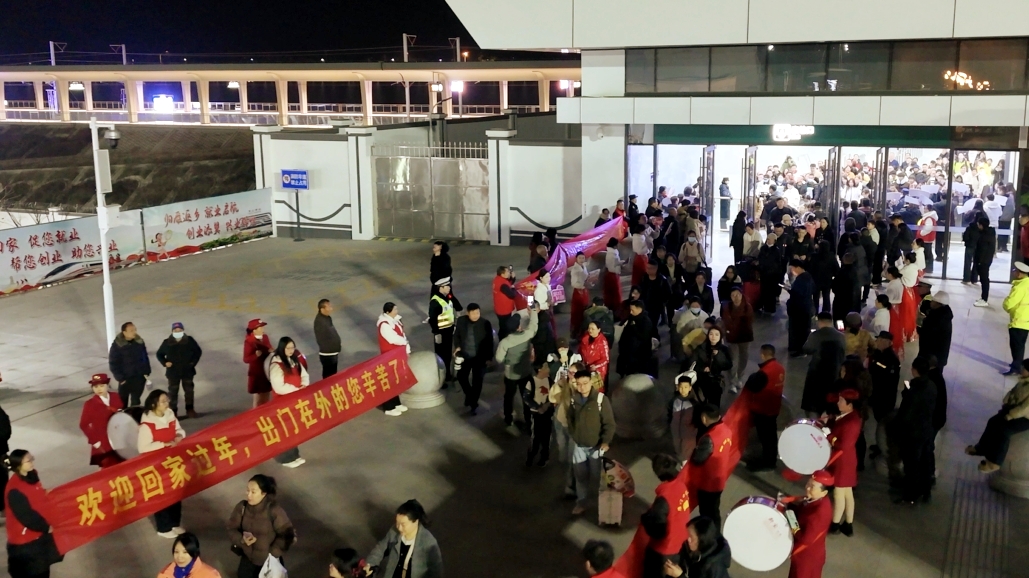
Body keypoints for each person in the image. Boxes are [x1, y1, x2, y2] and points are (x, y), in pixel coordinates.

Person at [4, 450, 62, 578]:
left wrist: (45, 492)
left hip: (38, 539)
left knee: (43, 571)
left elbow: (35, 494)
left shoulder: (32, 475)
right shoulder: (14, 490)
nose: (32, 463)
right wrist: (47, 527)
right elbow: (27, 517)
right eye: (28, 461)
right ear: (18, 465)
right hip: (25, 545)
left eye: (32, 459)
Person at [966, 359, 1029, 473]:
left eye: (1024, 368)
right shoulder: (1023, 380)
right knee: (993, 421)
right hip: (1012, 410)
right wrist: (1006, 403)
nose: (1021, 369)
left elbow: (1024, 408)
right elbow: (1013, 392)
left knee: (1004, 431)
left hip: (1024, 417)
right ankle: (981, 448)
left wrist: (1010, 415)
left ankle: (994, 462)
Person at [138, 390, 186, 538]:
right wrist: (163, 444)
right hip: (157, 465)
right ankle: (163, 528)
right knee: (162, 495)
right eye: (163, 401)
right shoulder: (147, 424)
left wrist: (179, 436)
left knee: (176, 492)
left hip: (173, 462)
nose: (167, 403)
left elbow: (179, 430)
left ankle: (174, 523)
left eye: (167, 400)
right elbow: (143, 447)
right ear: (154, 404)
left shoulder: (170, 415)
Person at [227, 474, 295, 578]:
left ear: (263, 493)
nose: (249, 495)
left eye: (253, 492)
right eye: (248, 490)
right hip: (248, 560)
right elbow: (232, 528)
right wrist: (241, 540)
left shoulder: (274, 510)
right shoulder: (242, 507)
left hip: (269, 562)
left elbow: (287, 534)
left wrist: (273, 553)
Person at [568, 370, 616, 516]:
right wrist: (574, 434)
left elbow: (609, 424)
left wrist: (605, 441)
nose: (582, 387)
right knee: (580, 476)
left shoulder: (601, 400)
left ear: (591, 382)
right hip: (579, 446)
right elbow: (570, 420)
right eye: (579, 384)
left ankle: (602, 505)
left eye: (585, 383)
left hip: (596, 447)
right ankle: (582, 502)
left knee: (598, 477)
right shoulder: (574, 400)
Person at [893, 357, 937, 503]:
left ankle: (910, 495)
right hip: (926, 429)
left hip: (913, 433)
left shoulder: (915, 389)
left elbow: (907, 413)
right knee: (925, 462)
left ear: (915, 370)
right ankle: (926, 491)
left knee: (911, 465)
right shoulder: (931, 385)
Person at [641, 454, 691, 578]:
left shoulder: (664, 499)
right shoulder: (681, 486)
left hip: (663, 550)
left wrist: (645, 518)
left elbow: (658, 531)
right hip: (680, 542)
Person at [365, 500, 443, 578]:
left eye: (403, 524)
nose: (399, 528)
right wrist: (370, 564)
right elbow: (381, 549)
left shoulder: (429, 543)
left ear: (416, 521)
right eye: (397, 523)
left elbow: (436, 572)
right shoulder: (394, 531)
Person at [825, 389, 862, 535]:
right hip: (847, 459)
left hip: (842, 461)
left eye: (841, 401)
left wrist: (830, 437)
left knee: (839, 494)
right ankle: (848, 523)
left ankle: (835, 524)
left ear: (850, 404)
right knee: (847, 493)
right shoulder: (851, 417)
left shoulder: (851, 422)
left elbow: (843, 444)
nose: (838, 403)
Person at [267, 337, 309, 467]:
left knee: (294, 429)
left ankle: (294, 455)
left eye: (292, 347)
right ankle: (285, 459)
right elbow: (278, 387)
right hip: (283, 404)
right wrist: (296, 390)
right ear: (282, 348)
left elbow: (304, 374)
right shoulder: (277, 365)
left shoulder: (294, 360)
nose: (291, 350)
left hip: (295, 401)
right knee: (285, 431)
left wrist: (304, 385)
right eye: (288, 348)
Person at [785, 471, 834, 578]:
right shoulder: (817, 499)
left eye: (812, 486)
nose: (807, 488)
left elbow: (805, 539)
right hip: (809, 556)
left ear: (824, 492)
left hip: (806, 559)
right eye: (808, 483)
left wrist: (791, 519)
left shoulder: (819, 512)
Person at [496, 306, 539, 428]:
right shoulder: (527, 335)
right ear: (519, 326)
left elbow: (499, 359)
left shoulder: (505, 343)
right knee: (526, 397)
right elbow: (533, 326)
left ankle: (508, 418)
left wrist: (508, 361)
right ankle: (528, 421)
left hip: (511, 375)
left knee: (509, 396)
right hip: (525, 372)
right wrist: (533, 311)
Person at [744, 344, 784, 471]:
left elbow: (753, 386)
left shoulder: (764, 372)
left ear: (762, 354)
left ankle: (768, 462)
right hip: (774, 408)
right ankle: (770, 459)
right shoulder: (780, 368)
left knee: (766, 438)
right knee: (771, 435)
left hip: (763, 410)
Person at [691, 405, 732, 525]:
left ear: (704, 418)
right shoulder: (726, 430)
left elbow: (698, 459)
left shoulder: (709, 438)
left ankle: (710, 532)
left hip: (708, 484)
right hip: (720, 479)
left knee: (707, 512)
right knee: (714, 510)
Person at [801, 313, 847, 416]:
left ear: (820, 322)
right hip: (835, 371)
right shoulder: (841, 336)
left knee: (814, 399)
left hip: (816, 371)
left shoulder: (815, 335)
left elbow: (806, 349)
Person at [868, 331, 901, 472]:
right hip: (876, 395)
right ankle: (879, 445)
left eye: (881, 340)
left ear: (888, 342)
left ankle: (883, 448)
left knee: (883, 422)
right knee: (878, 419)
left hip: (884, 398)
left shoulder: (891, 359)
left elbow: (887, 381)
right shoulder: (878, 354)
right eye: (878, 339)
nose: (878, 342)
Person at [156, 322, 203, 418]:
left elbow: (197, 352)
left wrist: (192, 363)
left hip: (187, 371)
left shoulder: (189, 341)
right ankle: (173, 412)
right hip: (173, 372)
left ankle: (190, 409)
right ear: (172, 331)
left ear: (183, 330)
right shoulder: (167, 342)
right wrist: (165, 362)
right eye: (176, 330)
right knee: (173, 393)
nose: (178, 332)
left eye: (180, 330)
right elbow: (159, 354)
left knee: (189, 391)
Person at [454, 303, 494, 416]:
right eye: (473, 313)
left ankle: (473, 404)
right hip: (465, 355)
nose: (476, 315)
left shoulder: (485, 323)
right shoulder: (461, 321)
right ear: (468, 313)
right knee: (461, 376)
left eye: (478, 312)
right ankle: (470, 395)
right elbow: (456, 335)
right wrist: (457, 347)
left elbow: (490, 341)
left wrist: (489, 357)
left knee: (477, 381)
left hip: (480, 357)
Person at [79, 373, 124, 469]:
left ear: (107, 385)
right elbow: (83, 424)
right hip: (103, 442)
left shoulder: (115, 396)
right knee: (109, 468)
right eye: (95, 387)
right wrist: (95, 442)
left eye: (102, 386)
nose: (99, 389)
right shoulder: (89, 404)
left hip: (119, 439)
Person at [662, 517, 732, 578]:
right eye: (687, 533)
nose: (687, 539)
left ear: (702, 542)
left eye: (691, 537)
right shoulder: (692, 546)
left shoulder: (711, 569)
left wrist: (680, 575)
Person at [377, 302, 411, 416]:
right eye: (394, 309)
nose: (397, 311)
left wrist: (407, 350)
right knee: (390, 381)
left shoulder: (395, 321)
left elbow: (402, 334)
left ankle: (396, 403)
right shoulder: (384, 324)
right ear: (388, 312)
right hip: (389, 356)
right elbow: (393, 339)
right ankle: (388, 407)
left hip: (397, 355)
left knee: (396, 380)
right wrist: (404, 342)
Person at [108, 321, 151, 408]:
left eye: (135, 330)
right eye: (131, 330)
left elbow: (144, 357)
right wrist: (120, 378)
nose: (134, 332)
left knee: (136, 401)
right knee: (122, 402)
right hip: (125, 379)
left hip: (139, 377)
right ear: (124, 332)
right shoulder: (117, 345)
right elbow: (113, 363)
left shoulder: (139, 342)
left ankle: (134, 415)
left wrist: (146, 371)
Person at [429, 277, 463, 386]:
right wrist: (436, 333)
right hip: (441, 332)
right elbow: (433, 319)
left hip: (449, 330)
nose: (449, 288)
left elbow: (454, 301)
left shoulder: (447, 296)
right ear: (441, 288)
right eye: (447, 286)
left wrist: (459, 309)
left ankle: (447, 374)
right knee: (441, 356)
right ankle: (441, 380)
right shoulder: (435, 302)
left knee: (447, 355)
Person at [721, 286, 754, 393]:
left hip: (745, 336)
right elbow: (725, 321)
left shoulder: (747, 307)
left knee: (744, 358)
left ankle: (740, 377)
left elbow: (748, 321)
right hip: (732, 337)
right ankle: (732, 382)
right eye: (733, 295)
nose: (735, 297)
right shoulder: (727, 307)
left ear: (741, 295)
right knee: (733, 359)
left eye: (738, 295)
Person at [522, 363, 554, 467]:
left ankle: (544, 457)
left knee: (546, 437)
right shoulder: (531, 381)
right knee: (535, 436)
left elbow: (553, 394)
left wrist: (548, 404)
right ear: (539, 369)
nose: (548, 369)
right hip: (536, 415)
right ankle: (531, 456)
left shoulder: (549, 380)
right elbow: (526, 398)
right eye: (546, 367)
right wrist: (537, 407)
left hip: (547, 414)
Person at [617, 300, 657, 378]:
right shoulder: (632, 318)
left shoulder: (646, 321)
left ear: (639, 309)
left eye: (633, 310)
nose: (631, 312)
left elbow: (644, 337)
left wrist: (634, 327)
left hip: (638, 353)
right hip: (627, 351)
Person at [693, 328, 732, 407]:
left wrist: (718, 355)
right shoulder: (701, 347)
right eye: (711, 334)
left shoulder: (724, 349)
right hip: (701, 379)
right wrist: (702, 368)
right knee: (701, 403)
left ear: (720, 337)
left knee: (714, 403)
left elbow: (728, 365)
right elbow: (692, 362)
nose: (713, 336)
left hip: (716, 381)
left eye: (717, 334)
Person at [1003, 262, 1029, 375]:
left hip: (1018, 321)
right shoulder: (1027, 283)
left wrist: (1005, 301)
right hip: (1026, 321)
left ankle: (1016, 368)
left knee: (1016, 346)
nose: (1013, 272)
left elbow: (1008, 304)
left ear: (1019, 274)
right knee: (1020, 345)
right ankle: (1018, 364)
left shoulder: (1019, 288)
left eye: (1015, 270)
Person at [156, 533, 221, 578]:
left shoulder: (210, 575)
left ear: (193, 553)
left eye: (185, 552)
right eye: (176, 552)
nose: (180, 557)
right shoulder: (165, 574)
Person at [786, 260, 815, 356]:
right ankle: (797, 348)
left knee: (800, 330)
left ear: (798, 267)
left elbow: (798, 293)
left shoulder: (803, 279)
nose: (791, 271)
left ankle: (800, 350)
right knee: (801, 329)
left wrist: (791, 291)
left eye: (792, 269)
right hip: (804, 307)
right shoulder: (807, 277)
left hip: (800, 308)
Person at [918, 291, 954, 368]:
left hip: (933, 358)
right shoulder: (943, 311)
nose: (931, 302)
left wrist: (916, 329)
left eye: (933, 301)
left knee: (932, 373)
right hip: (935, 356)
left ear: (938, 304)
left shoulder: (939, 320)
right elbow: (925, 306)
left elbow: (926, 334)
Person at [669, 372, 699, 463]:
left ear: (690, 388)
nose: (683, 390)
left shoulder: (694, 404)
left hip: (688, 435)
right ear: (677, 387)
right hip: (676, 433)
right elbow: (669, 414)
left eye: (686, 387)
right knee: (678, 450)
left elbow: (697, 420)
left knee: (686, 456)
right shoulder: (674, 400)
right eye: (681, 387)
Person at [244, 319, 273, 408]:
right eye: (260, 327)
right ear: (254, 330)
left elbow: (269, 347)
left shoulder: (265, 337)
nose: (262, 329)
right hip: (257, 374)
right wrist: (255, 355)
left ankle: (266, 413)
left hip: (266, 371)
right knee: (258, 400)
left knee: (267, 396)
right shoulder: (249, 341)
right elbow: (246, 359)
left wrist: (271, 350)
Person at [532, 269, 558, 361]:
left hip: (548, 313)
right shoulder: (539, 290)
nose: (549, 278)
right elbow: (538, 305)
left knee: (549, 335)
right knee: (544, 336)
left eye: (549, 276)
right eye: (546, 277)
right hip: (542, 315)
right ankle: (543, 357)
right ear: (541, 278)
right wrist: (548, 304)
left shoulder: (547, 286)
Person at [313, 299, 342, 379]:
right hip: (328, 355)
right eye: (328, 307)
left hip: (332, 353)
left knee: (333, 376)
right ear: (322, 309)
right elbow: (322, 339)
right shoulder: (320, 322)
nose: (331, 308)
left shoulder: (327, 318)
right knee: (329, 378)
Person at [570, 252, 596, 338]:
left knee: (585, 310)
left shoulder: (584, 266)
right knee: (578, 313)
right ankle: (577, 332)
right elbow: (573, 283)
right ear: (576, 259)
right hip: (579, 292)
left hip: (584, 291)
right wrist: (583, 285)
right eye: (580, 258)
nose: (581, 260)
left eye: (583, 258)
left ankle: (583, 331)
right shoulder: (575, 270)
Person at [809, 239, 838, 315]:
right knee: (826, 296)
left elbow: (810, 268)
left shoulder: (814, 256)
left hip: (816, 280)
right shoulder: (831, 256)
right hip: (827, 280)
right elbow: (836, 269)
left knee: (815, 297)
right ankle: (826, 312)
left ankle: (815, 313)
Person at [973, 216, 997, 307]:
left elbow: (983, 250)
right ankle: (983, 297)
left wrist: (980, 261)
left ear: (981, 225)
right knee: (984, 279)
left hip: (983, 261)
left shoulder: (985, 236)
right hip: (985, 260)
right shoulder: (988, 233)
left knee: (984, 279)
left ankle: (984, 299)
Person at [757, 233, 783, 315]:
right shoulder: (763, 248)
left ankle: (770, 309)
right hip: (764, 273)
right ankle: (763, 306)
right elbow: (760, 258)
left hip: (772, 275)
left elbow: (778, 263)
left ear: (774, 240)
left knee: (771, 292)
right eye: (767, 238)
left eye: (769, 239)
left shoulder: (777, 250)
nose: (768, 240)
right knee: (763, 291)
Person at [492, 265, 519, 340]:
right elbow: (512, 294)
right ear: (502, 274)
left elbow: (508, 284)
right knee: (505, 327)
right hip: (504, 310)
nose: (509, 272)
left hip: (499, 308)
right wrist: (513, 288)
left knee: (502, 325)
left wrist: (513, 278)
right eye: (507, 272)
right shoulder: (502, 284)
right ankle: (503, 340)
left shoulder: (497, 279)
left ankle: (502, 337)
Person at [580, 321, 611, 388]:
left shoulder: (602, 342)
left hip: (597, 371)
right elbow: (581, 350)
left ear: (598, 330)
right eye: (589, 328)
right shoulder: (585, 338)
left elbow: (606, 359)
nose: (590, 330)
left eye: (593, 329)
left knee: (596, 388)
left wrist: (596, 366)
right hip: (586, 367)